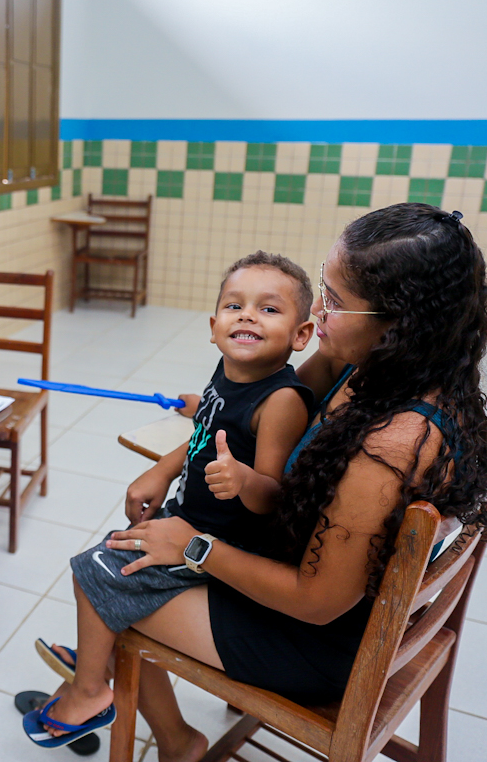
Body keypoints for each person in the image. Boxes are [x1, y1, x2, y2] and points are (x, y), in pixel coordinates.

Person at [47, 203, 487, 762]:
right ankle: (146, 715)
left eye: (334, 302)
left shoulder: (389, 447)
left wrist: (194, 547)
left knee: (107, 578)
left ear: (397, 323)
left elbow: (317, 603)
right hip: (314, 578)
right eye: (322, 287)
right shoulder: (375, 365)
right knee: (133, 553)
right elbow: (248, 409)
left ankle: (126, 710)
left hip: (314, 639)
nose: (317, 310)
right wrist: (173, 461)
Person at [25, 252, 316, 747]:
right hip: (189, 521)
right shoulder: (229, 375)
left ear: (302, 335)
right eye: (234, 305)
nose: (247, 315)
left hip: (220, 548)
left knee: (92, 570)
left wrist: (244, 481)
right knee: (111, 553)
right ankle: (174, 738)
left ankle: (90, 688)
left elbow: (274, 496)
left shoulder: (282, 402)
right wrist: (165, 465)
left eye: (269, 310)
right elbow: (212, 425)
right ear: (213, 325)